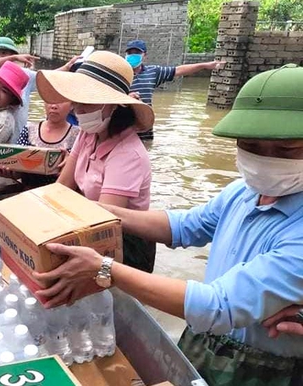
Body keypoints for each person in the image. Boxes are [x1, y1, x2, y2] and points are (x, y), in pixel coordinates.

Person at [35, 64, 303, 385]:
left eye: (286, 149)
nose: (264, 159)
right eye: (250, 146)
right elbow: (184, 226)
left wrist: (104, 268)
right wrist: (95, 208)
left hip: (264, 366)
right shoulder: (243, 192)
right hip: (204, 338)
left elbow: (219, 305)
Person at [36, 51, 156, 272]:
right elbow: (61, 188)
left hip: (123, 244)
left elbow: (104, 221)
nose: (78, 109)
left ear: (115, 105)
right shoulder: (88, 134)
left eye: (88, 102)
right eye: (77, 101)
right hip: (88, 222)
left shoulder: (128, 154)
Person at [124, 39, 225, 140]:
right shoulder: (119, 73)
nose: (133, 55)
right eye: (130, 53)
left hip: (145, 129)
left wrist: (204, 65)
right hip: (123, 130)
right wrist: (126, 99)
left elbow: (178, 70)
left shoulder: (153, 72)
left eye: (137, 53)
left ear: (144, 55)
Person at [14, 101, 80, 188]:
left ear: (72, 105)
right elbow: (17, 165)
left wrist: (71, 163)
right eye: (49, 100)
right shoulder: (29, 130)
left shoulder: (79, 136)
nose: (54, 106)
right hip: (28, 193)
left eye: (60, 100)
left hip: (61, 194)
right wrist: (10, 172)